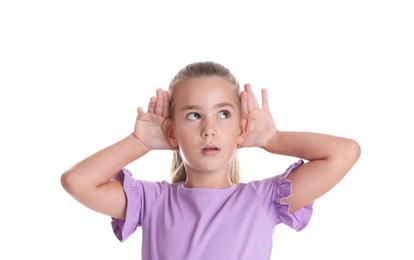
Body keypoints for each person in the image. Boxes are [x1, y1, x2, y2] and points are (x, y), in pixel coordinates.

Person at [61, 61, 361, 259]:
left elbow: (344, 153)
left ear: (241, 129)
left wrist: (273, 139)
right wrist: (140, 142)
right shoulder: (152, 201)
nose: (209, 129)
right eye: (193, 115)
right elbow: (77, 182)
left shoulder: (264, 200)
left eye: (224, 114)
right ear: (171, 131)